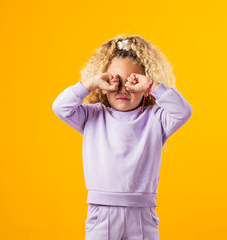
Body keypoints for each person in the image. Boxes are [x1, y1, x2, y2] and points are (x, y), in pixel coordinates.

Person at [52, 34, 193, 240]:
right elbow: (60, 107)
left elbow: (183, 111)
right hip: (101, 212)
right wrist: (90, 83)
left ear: (144, 85)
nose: (123, 89)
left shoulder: (156, 118)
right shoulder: (93, 115)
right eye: (115, 80)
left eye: (132, 82)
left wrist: (152, 86)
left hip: (142, 214)